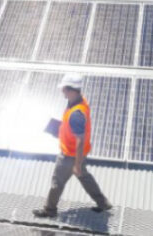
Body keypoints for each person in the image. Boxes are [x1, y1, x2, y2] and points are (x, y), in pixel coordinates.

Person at [33, 73, 112, 218]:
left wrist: (76, 163)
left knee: (57, 182)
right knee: (84, 176)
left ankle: (49, 210)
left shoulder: (76, 113)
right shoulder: (78, 101)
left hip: (70, 155)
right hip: (76, 152)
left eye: (64, 89)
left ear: (71, 90)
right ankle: (103, 203)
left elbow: (80, 140)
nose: (62, 91)